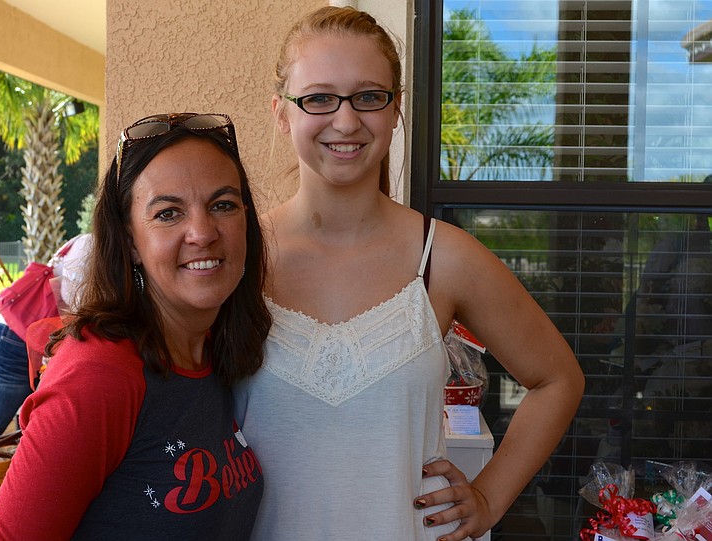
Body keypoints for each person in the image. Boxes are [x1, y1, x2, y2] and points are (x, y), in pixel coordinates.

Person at [232, 7, 585, 541]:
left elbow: (558, 380)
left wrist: (488, 496)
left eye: (369, 96)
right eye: (319, 98)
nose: (346, 121)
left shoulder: (444, 257)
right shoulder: (237, 258)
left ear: (395, 109)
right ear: (282, 112)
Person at [0, 112, 271, 540]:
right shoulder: (99, 374)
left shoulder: (217, 348)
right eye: (169, 213)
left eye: (222, 205)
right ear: (131, 241)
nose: (203, 232)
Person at [0, 233, 91, 445]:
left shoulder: (86, 241)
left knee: (25, 426)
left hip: (24, 338)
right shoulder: (91, 245)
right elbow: (77, 301)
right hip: (16, 339)